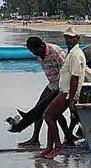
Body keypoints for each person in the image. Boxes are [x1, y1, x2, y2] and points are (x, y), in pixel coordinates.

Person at [17, 37, 75, 148]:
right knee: (39, 109)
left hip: (61, 86)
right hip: (51, 84)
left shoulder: (56, 52)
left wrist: (61, 91)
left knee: (53, 113)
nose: (33, 53)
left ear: (42, 46)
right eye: (31, 51)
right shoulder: (37, 53)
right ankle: (35, 139)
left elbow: (66, 71)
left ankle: (68, 138)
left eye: (34, 50)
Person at [39, 27, 86, 158]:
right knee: (51, 116)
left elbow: (75, 78)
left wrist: (71, 98)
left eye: (72, 38)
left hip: (67, 93)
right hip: (64, 91)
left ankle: (57, 146)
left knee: (48, 116)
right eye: (67, 38)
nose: (69, 40)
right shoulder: (70, 53)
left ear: (77, 39)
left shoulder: (76, 55)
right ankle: (49, 147)